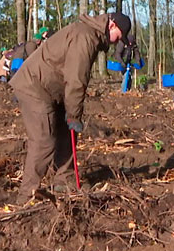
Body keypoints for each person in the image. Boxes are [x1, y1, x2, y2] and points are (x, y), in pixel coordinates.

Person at [10, 12, 131, 203]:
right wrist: (74, 115)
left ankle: (64, 181)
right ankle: (25, 196)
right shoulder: (85, 37)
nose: (117, 42)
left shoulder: (89, 34)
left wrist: (70, 116)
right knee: (44, 140)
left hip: (50, 89)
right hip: (35, 87)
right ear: (112, 26)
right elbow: (76, 80)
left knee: (66, 133)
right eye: (119, 36)